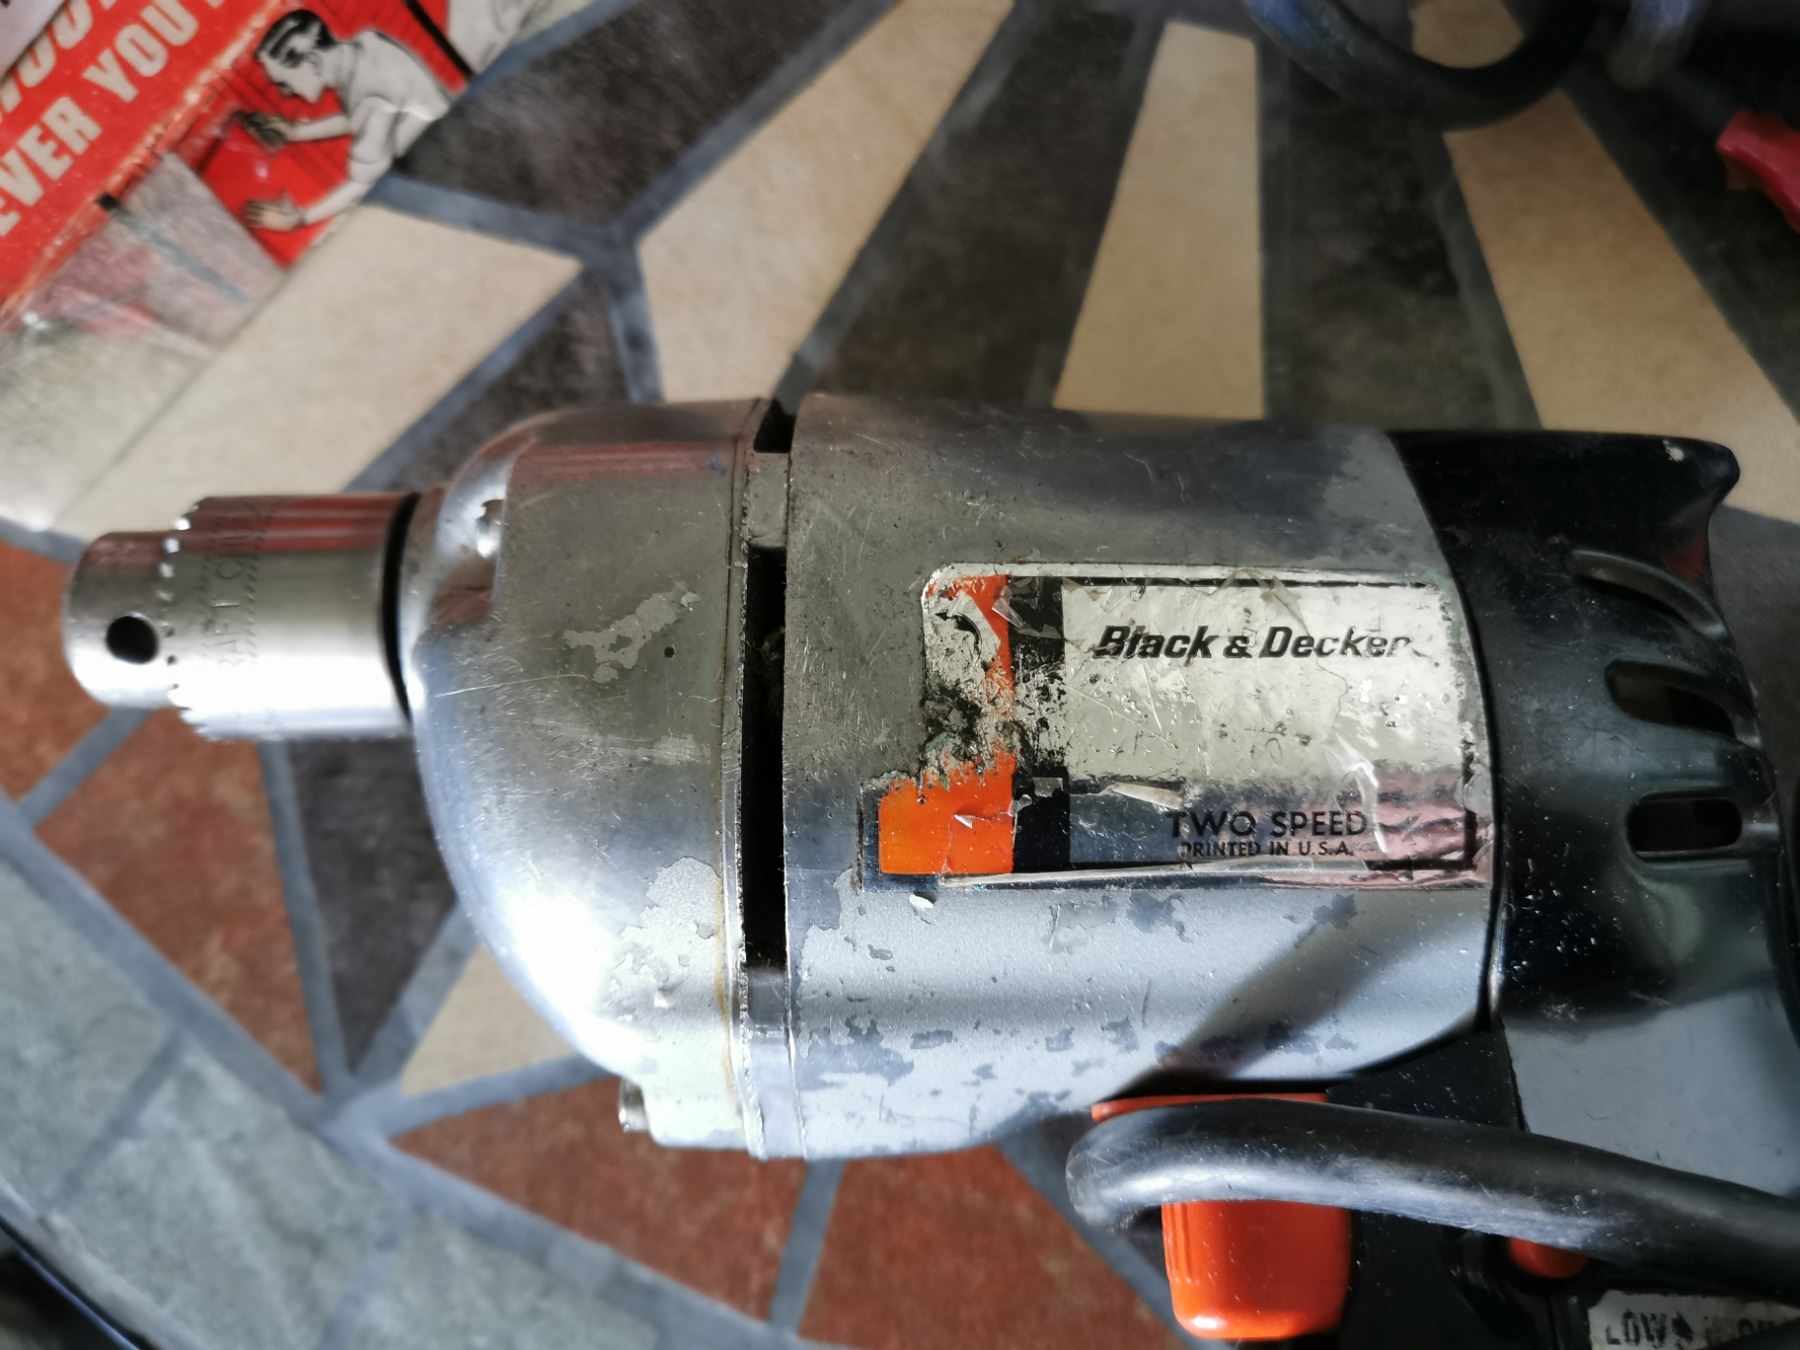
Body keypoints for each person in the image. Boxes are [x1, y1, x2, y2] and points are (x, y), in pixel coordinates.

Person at [241, 10, 450, 232]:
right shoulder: (365, 45)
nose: (285, 93)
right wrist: (297, 132)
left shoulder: (371, 100)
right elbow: (358, 118)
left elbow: (362, 184)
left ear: (313, 62)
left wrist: (300, 219)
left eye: (283, 82)